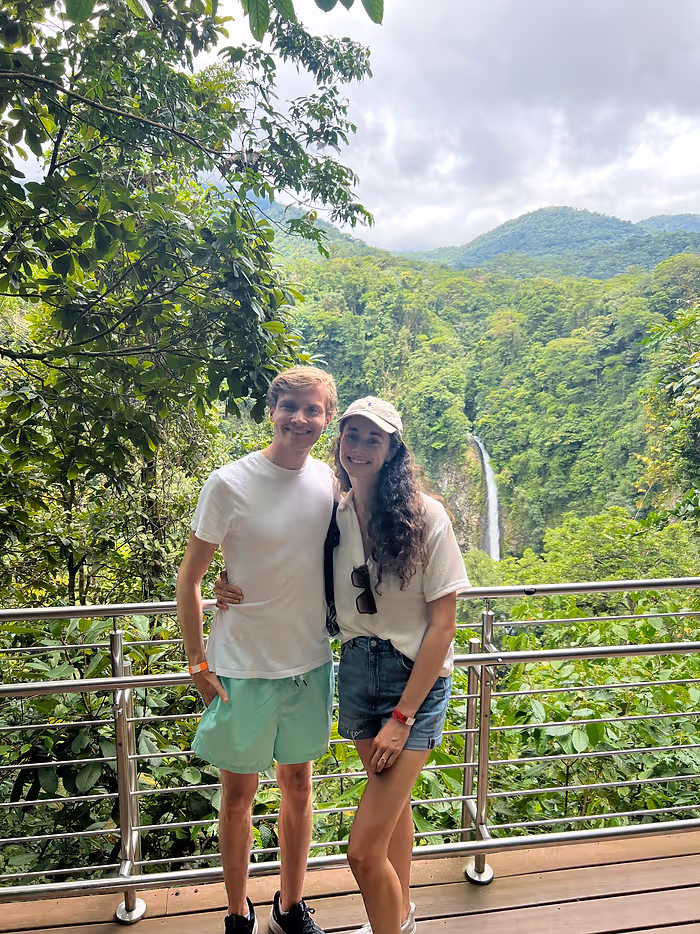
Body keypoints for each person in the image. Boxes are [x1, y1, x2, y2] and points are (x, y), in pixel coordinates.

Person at [216, 396, 470, 934]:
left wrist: (402, 718)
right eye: (350, 435)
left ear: (393, 448)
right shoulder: (335, 510)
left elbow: (444, 627)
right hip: (356, 671)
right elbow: (280, 550)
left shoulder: (427, 516)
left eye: (371, 438)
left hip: (411, 681)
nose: (357, 448)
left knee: (362, 849)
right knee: (394, 810)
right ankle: (400, 915)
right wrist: (227, 584)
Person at [177, 366, 338, 934]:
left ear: (326, 418)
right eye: (290, 406)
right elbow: (191, 578)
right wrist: (198, 661)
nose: (300, 418)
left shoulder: (328, 482)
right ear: (272, 409)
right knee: (239, 794)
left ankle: (290, 907)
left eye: (312, 409)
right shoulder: (229, 483)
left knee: (299, 785)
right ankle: (237, 912)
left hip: (309, 661)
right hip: (242, 663)